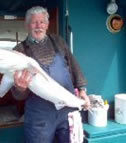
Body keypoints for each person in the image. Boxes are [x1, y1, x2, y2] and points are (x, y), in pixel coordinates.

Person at [11, 6, 90, 143]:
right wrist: (20, 88)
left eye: (42, 22)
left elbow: (74, 66)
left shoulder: (58, 42)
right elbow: (17, 95)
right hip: (40, 115)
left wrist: (82, 90)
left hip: (67, 109)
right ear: (27, 25)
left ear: (47, 25)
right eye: (34, 22)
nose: (38, 26)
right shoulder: (18, 51)